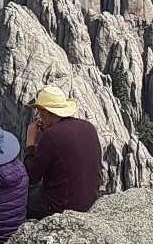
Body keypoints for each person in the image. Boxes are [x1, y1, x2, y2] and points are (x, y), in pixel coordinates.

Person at [23, 84, 102, 220]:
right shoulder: (88, 126)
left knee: (16, 202)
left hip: (62, 205)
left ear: (48, 112)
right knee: (34, 191)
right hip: (91, 199)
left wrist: (30, 142)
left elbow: (31, 176)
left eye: (40, 111)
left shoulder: (51, 136)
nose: (40, 115)